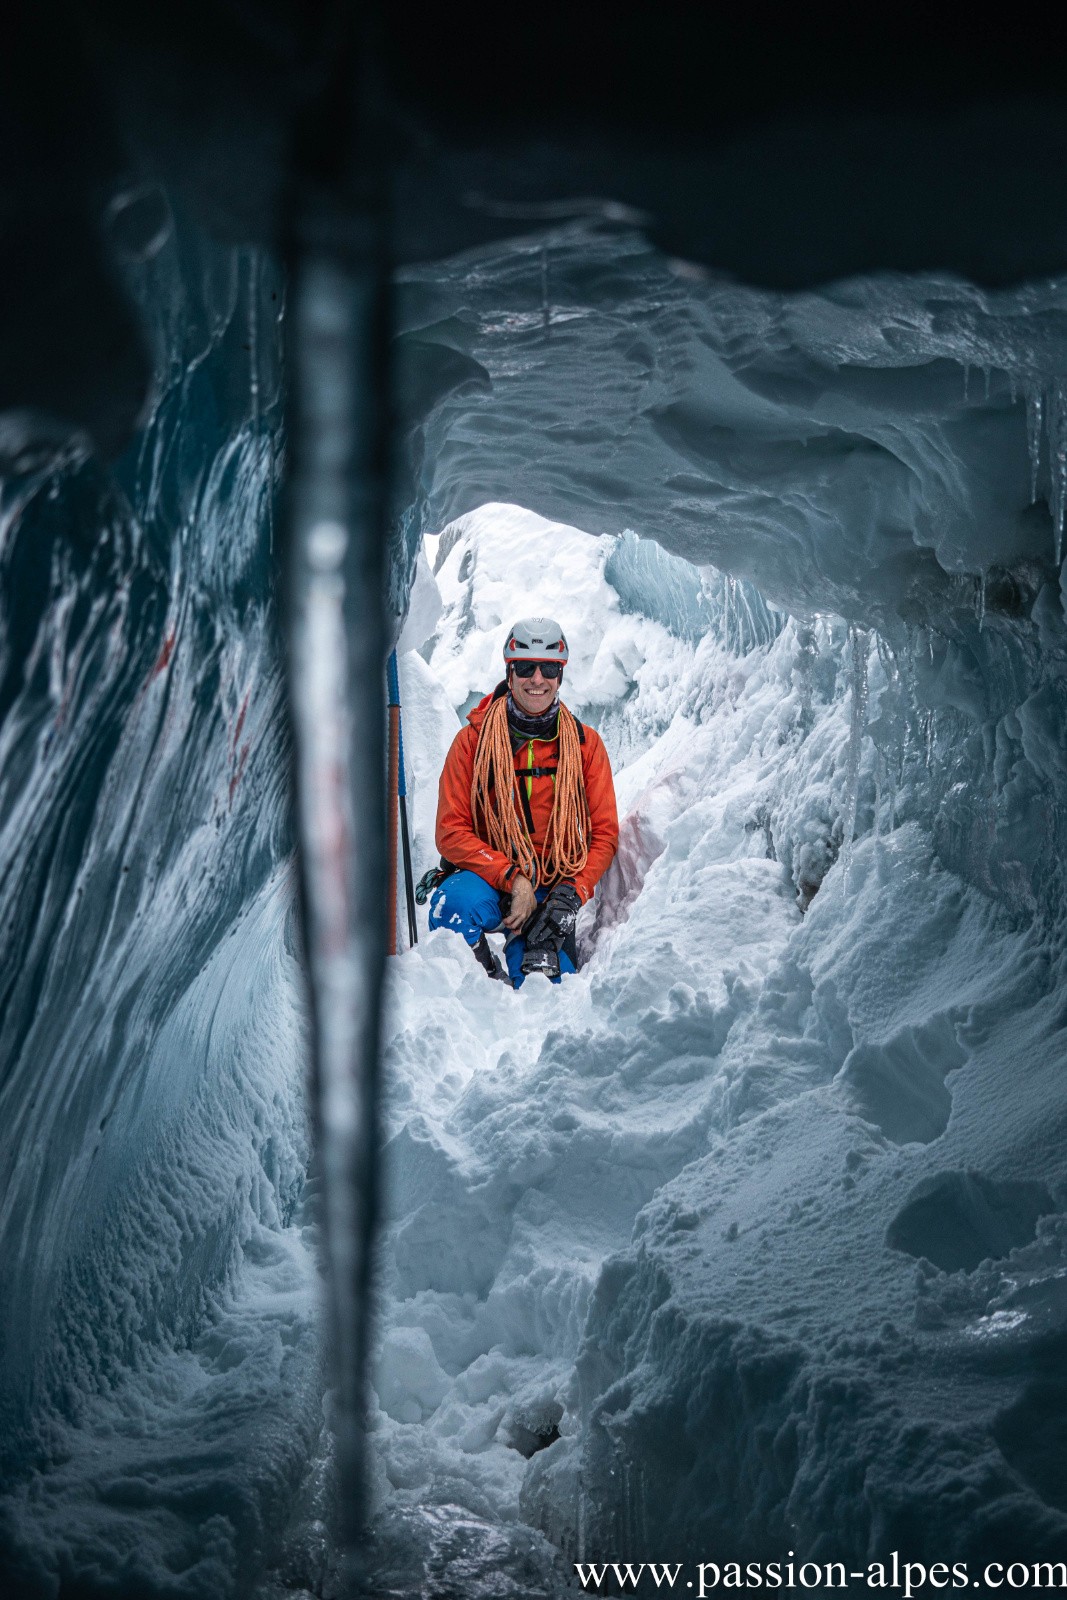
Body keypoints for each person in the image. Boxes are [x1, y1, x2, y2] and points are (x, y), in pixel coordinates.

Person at [427, 617, 618, 987]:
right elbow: (450, 831)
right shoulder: (472, 743)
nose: (537, 679)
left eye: (549, 668)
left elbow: (605, 835)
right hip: (492, 881)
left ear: (560, 675)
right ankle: (485, 984)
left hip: (552, 887)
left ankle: (525, 952)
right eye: (525, 667)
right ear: (510, 671)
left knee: (548, 987)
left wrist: (571, 895)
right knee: (450, 908)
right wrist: (513, 879)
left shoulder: (584, 746)